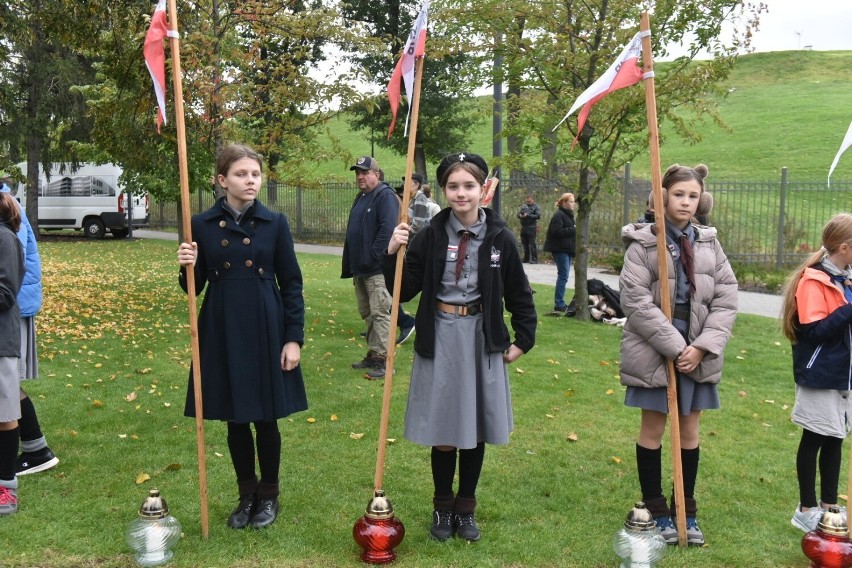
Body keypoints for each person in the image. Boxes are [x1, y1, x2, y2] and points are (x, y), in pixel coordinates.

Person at [384, 151, 537, 542]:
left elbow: (519, 292)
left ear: (483, 189)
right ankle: (441, 505)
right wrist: (392, 253)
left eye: (469, 185)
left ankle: (465, 507)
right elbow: (404, 289)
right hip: (440, 335)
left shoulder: (500, 237)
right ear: (444, 189)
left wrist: (523, 338)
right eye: (453, 186)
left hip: (480, 339)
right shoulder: (430, 235)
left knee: (475, 426)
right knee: (445, 426)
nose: (461, 193)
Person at [176, 144, 307, 530]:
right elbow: (192, 288)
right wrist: (186, 265)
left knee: (266, 419)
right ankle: (246, 494)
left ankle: (268, 496)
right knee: (235, 418)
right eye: (241, 174)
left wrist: (293, 338)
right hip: (222, 324)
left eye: (255, 174)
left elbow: (293, 284)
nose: (250, 181)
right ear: (222, 180)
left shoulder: (275, 222)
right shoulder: (200, 224)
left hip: (266, 324)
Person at [619, 164, 736, 547]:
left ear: (701, 200)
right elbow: (635, 302)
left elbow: (726, 296)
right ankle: (656, 509)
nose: (686, 202)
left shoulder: (709, 243)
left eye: (693, 195)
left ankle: (685, 508)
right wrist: (675, 346)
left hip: (697, 354)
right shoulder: (643, 244)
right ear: (662, 197)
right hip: (656, 353)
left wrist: (702, 347)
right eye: (679, 194)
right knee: (653, 429)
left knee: (689, 431)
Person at [781, 213, 852, 533]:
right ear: (845, 247)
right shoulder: (814, 281)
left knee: (835, 437)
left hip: (842, 374)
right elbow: (814, 332)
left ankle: (829, 505)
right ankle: (806, 508)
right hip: (819, 373)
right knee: (814, 437)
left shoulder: (847, 278)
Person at [0, 181, 58, 476]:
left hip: (12, 309)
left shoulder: (8, 210)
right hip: (13, 304)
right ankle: (35, 447)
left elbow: (11, 267)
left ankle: (37, 450)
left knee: (7, 384)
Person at [342, 156, 400, 379]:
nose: (360, 176)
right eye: (358, 173)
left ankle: (386, 361)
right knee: (367, 313)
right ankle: (375, 354)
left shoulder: (384, 196)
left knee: (380, 312)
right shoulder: (362, 197)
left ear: (377, 174)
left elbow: (388, 229)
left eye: (365, 172)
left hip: (376, 269)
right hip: (360, 269)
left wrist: (377, 257)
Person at [0, 192, 25, 515]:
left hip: (1, 341)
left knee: (4, 415)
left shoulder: (5, 239)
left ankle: (7, 487)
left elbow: (6, 293)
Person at [542, 193, 576, 315]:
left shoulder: (568, 215)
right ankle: (559, 303)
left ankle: (560, 302)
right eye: (571, 201)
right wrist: (573, 229)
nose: (574, 204)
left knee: (564, 275)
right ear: (565, 203)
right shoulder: (559, 215)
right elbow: (555, 232)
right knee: (563, 275)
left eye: (574, 201)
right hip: (560, 249)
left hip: (567, 249)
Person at [517, 194, 541, 263]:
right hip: (524, 227)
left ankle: (534, 258)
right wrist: (520, 215)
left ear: (533, 200)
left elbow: (538, 216)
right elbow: (518, 214)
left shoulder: (536, 207)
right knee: (524, 243)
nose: (528, 203)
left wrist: (528, 215)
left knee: (532, 243)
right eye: (527, 201)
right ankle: (526, 258)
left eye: (529, 201)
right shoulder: (524, 206)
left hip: (531, 227)